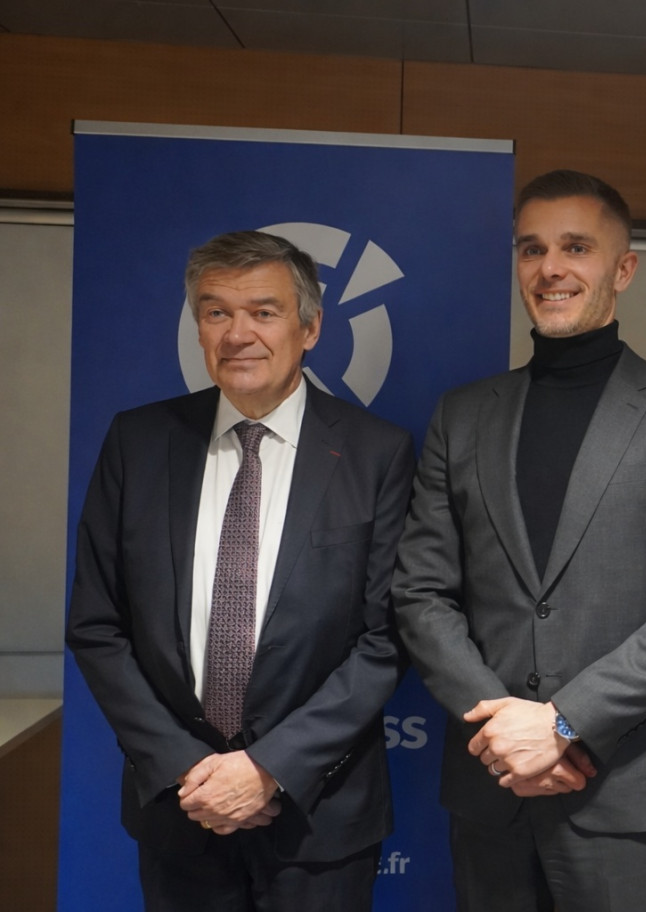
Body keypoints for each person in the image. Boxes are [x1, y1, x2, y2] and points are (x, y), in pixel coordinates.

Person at [391, 169, 646, 911]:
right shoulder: (462, 415)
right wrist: (503, 734)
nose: (550, 268)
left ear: (622, 269)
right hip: (491, 789)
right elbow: (421, 592)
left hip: (627, 793)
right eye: (532, 249)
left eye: (576, 247)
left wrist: (562, 722)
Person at [66, 230, 415, 910]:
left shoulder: (378, 454)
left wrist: (268, 770)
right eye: (216, 312)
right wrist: (185, 767)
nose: (237, 334)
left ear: (309, 328)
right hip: (180, 809)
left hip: (322, 816)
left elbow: (387, 638)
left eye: (263, 311)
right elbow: (97, 626)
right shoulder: (138, 443)